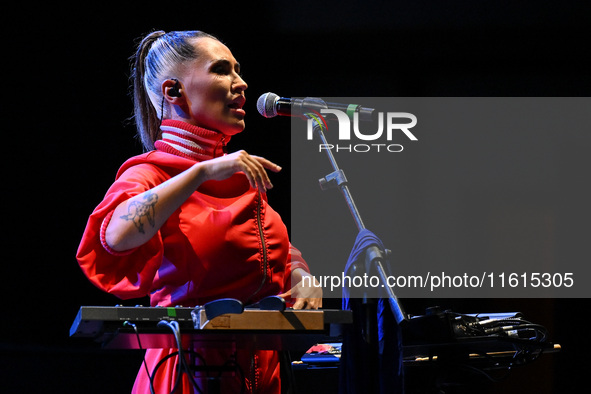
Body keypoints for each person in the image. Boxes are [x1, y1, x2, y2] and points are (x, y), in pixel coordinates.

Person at [76, 29, 322, 394]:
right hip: (191, 374)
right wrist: (201, 172)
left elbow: (264, 249)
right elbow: (113, 237)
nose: (241, 83)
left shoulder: (239, 171)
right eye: (222, 70)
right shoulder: (150, 174)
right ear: (173, 92)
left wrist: (301, 275)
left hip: (263, 372)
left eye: (237, 69)